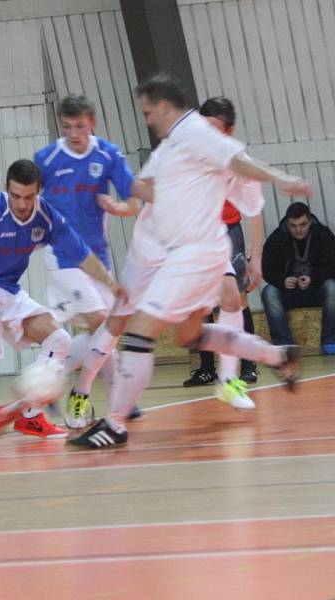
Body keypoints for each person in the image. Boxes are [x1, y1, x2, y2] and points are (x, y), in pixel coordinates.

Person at [69, 73, 311, 449]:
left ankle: (114, 423)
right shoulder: (168, 147)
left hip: (192, 255)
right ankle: (275, 354)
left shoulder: (196, 131)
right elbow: (143, 188)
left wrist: (281, 179)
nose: (146, 119)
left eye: (148, 111)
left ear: (164, 106)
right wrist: (102, 177)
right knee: (190, 335)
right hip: (195, 255)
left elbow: (238, 161)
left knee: (138, 332)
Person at [0, 158, 124, 439]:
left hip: (8, 289)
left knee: (58, 340)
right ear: (6, 189)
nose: (22, 204)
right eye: (15, 196)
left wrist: (111, 283)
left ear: (38, 192)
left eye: (29, 197)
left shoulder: (46, 216)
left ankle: (30, 415)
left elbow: (82, 255)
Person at [34, 93, 141, 428]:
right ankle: (99, 396)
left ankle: (47, 382)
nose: (74, 133)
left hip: (98, 258)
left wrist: (121, 208)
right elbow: (27, 204)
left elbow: (133, 197)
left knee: (109, 328)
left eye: (80, 126)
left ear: (92, 122)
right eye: (67, 127)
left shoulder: (107, 154)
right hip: (62, 258)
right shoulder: (47, 158)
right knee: (99, 322)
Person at [181, 97, 266, 410]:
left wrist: (256, 257)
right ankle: (208, 369)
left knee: (236, 300)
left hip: (228, 232)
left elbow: (254, 211)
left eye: (215, 129)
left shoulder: (238, 159)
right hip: (194, 238)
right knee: (199, 308)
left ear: (229, 130)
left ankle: (242, 370)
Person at [261, 202, 335, 354]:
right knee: (269, 292)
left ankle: (330, 339)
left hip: (316, 289)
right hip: (288, 292)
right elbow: (266, 269)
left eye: (303, 224)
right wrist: (282, 280)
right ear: (287, 224)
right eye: (293, 225)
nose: (298, 229)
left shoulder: (323, 234)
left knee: (332, 288)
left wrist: (313, 279)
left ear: (310, 222)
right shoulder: (277, 238)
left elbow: (332, 265)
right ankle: (283, 345)